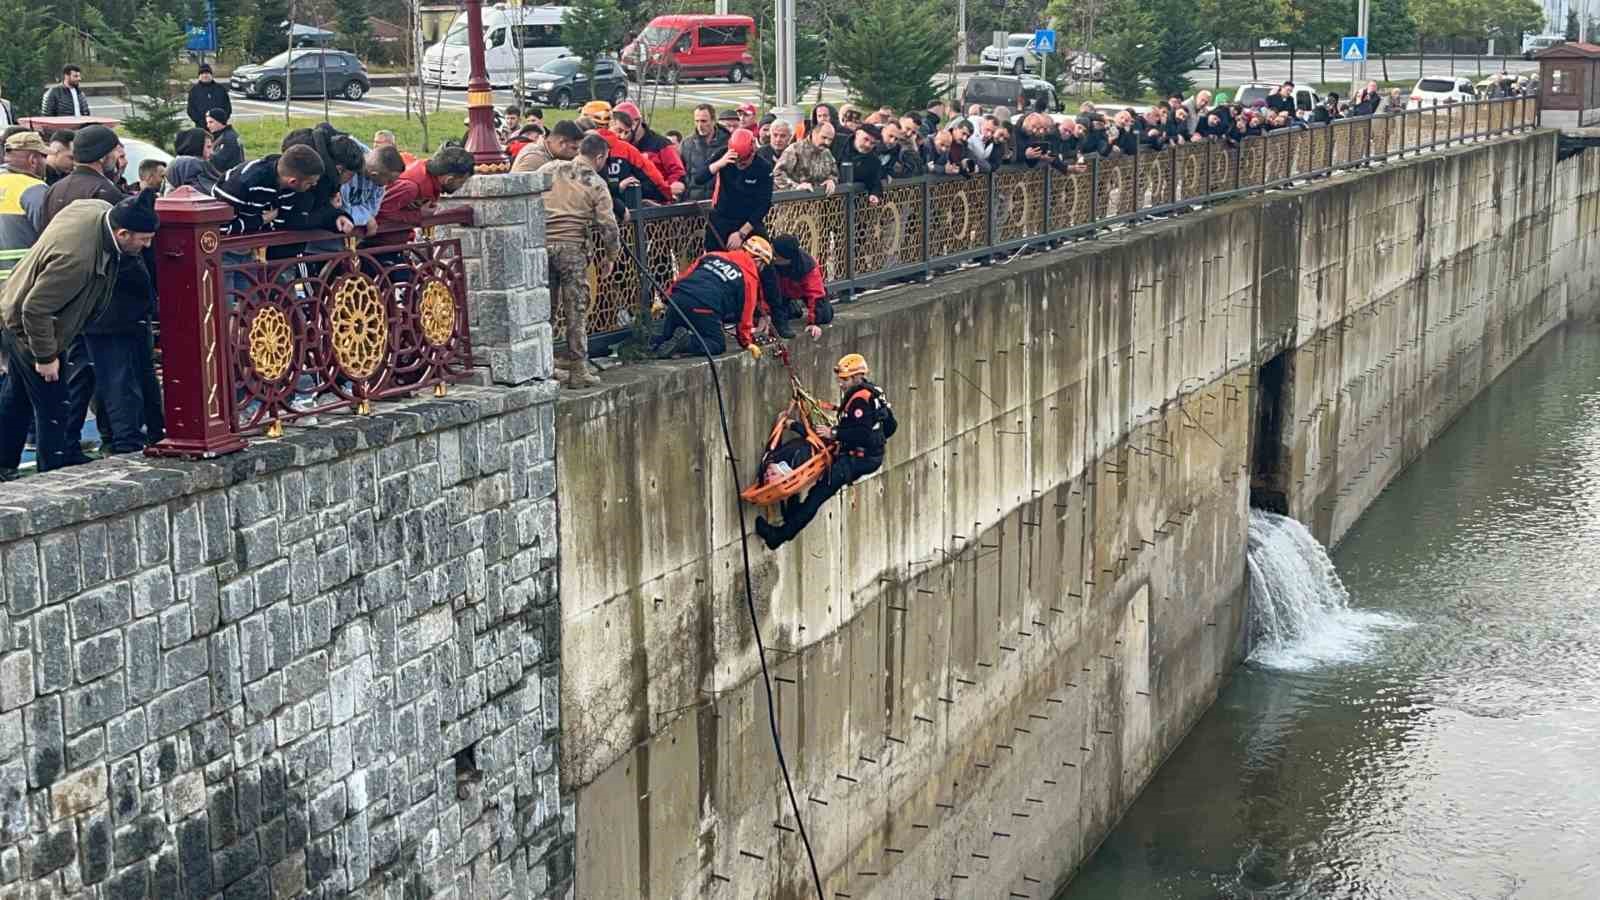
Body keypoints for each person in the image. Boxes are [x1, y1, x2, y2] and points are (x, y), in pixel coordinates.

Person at [0, 190, 159, 473]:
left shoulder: (95, 209)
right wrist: (46, 357)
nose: (147, 246)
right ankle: (53, 473)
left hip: (17, 308)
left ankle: (5, 464)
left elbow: (77, 202)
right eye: (144, 239)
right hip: (28, 327)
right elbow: (35, 309)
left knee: (18, 399)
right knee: (54, 406)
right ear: (122, 234)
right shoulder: (77, 260)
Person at [754, 353, 897, 549]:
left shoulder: (860, 400)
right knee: (815, 490)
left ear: (857, 377)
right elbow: (891, 427)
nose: (840, 384)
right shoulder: (874, 393)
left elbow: (862, 433)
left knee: (816, 497)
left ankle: (779, 536)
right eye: (840, 379)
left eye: (845, 380)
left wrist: (835, 433)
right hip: (866, 456)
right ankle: (793, 514)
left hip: (857, 459)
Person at [538, 132, 619, 389]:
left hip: (541, 246)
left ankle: (544, 367)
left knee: (544, 312)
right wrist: (610, 256)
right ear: (600, 156)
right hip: (572, 249)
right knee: (576, 311)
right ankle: (579, 370)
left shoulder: (550, 168)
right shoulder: (595, 183)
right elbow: (609, 226)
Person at [649, 235, 778, 358]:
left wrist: (666, 300)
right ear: (757, 260)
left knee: (666, 336)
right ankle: (687, 342)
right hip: (704, 307)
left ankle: (648, 341)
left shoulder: (713, 255)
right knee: (717, 344)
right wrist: (747, 342)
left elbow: (685, 276)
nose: (761, 269)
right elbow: (745, 316)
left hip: (678, 299)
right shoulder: (749, 279)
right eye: (763, 265)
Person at [212, 144, 326, 236]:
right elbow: (220, 228)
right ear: (293, 181)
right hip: (227, 247)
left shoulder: (293, 187)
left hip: (260, 243)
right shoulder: (243, 183)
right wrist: (263, 219)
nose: (314, 185)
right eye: (310, 183)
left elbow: (285, 221)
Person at [698, 128, 774, 253]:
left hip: (748, 221)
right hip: (721, 217)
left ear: (753, 151)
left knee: (763, 254)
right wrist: (719, 164)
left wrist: (741, 233)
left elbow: (764, 204)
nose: (739, 165)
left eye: (743, 163)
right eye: (735, 162)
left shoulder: (763, 167)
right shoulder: (724, 155)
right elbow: (699, 178)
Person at [375, 146, 475, 232]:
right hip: (378, 242)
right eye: (461, 182)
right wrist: (419, 214)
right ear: (449, 179)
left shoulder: (428, 173)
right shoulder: (410, 187)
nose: (461, 186)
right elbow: (380, 211)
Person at [41, 125, 125, 228]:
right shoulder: (104, 191)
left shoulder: (55, 188)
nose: (117, 156)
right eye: (114, 151)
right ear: (102, 157)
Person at [616, 101, 686, 199]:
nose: (620, 135)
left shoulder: (661, 144)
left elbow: (678, 173)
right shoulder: (618, 147)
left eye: (622, 130)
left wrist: (664, 190)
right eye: (617, 130)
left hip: (657, 204)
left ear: (636, 123)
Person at [769, 234, 831, 337]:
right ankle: (792, 308)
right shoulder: (769, 261)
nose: (772, 257)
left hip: (801, 291)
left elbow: (816, 294)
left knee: (825, 314)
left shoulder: (807, 265)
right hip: (780, 292)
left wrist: (813, 323)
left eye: (775, 255)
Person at [0, 131, 50, 250]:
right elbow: (50, 236)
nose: (46, 162)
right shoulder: (34, 188)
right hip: (24, 267)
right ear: (33, 160)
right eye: (44, 156)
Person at [680, 104, 729, 202]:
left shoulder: (727, 143)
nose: (700, 125)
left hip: (719, 203)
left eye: (703, 121)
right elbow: (681, 173)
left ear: (713, 120)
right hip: (692, 204)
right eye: (697, 121)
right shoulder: (687, 144)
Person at [773, 122, 838, 193]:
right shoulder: (795, 150)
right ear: (814, 133)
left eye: (830, 139)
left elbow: (834, 174)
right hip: (796, 200)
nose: (827, 142)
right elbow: (777, 174)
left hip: (820, 201)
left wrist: (831, 181)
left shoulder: (827, 153)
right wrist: (796, 187)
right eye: (824, 137)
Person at [166, 127, 222, 194]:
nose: (212, 152)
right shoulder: (191, 163)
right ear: (197, 146)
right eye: (208, 147)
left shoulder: (176, 163)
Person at [513, 119, 580, 173]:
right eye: (574, 148)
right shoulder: (534, 158)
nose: (578, 153)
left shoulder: (547, 152)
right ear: (562, 142)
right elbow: (517, 186)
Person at [842, 124, 884, 204]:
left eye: (872, 143)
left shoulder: (874, 160)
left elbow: (875, 181)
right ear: (857, 134)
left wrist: (874, 195)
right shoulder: (838, 143)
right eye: (866, 139)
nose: (868, 145)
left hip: (850, 204)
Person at [186, 64, 231, 129]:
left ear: (211, 75)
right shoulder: (194, 91)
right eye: (202, 73)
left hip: (219, 126)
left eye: (207, 73)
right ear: (199, 76)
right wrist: (200, 121)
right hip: (201, 127)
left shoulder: (220, 89)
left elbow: (227, 107)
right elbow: (190, 110)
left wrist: (222, 121)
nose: (204, 75)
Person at [206, 108, 245, 174]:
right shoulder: (227, 134)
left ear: (220, 121)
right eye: (207, 122)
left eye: (211, 122)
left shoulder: (228, 138)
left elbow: (218, 162)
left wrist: (204, 154)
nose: (208, 126)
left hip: (229, 176)